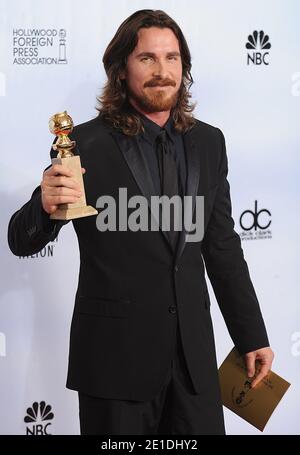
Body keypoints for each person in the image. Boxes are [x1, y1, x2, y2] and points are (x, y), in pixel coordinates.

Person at [7, 9, 274, 435]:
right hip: (115, 365)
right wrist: (43, 203)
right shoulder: (85, 145)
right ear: (121, 69)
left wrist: (251, 335)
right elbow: (20, 240)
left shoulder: (209, 142)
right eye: (147, 58)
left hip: (193, 365)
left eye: (172, 58)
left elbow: (222, 247)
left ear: (184, 68)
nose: (161, 71)